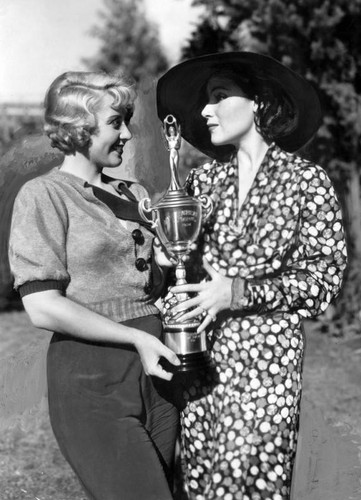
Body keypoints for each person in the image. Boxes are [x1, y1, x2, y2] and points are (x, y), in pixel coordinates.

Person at [156, 52, 348, 499]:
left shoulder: (308, 183)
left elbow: (323, 279)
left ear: (259, 102)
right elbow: (184, 274)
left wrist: (237, 292)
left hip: (268, 364)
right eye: (206, 99)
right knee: (201, 484)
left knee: (251, 483)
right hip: (200, 361)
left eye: (220, 96)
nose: (206, 109)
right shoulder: (200, 184)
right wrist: (170, 280)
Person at [8, 71, 181, 500]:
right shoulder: (44, 195)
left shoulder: (135, 192)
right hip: (91, 376)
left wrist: (167, 267)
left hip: (158, 374)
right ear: (79, 127)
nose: (126, 133)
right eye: (115, 122)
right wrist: (134, 339)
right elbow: (43, 306)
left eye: (126, 120)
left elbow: (146, 286)